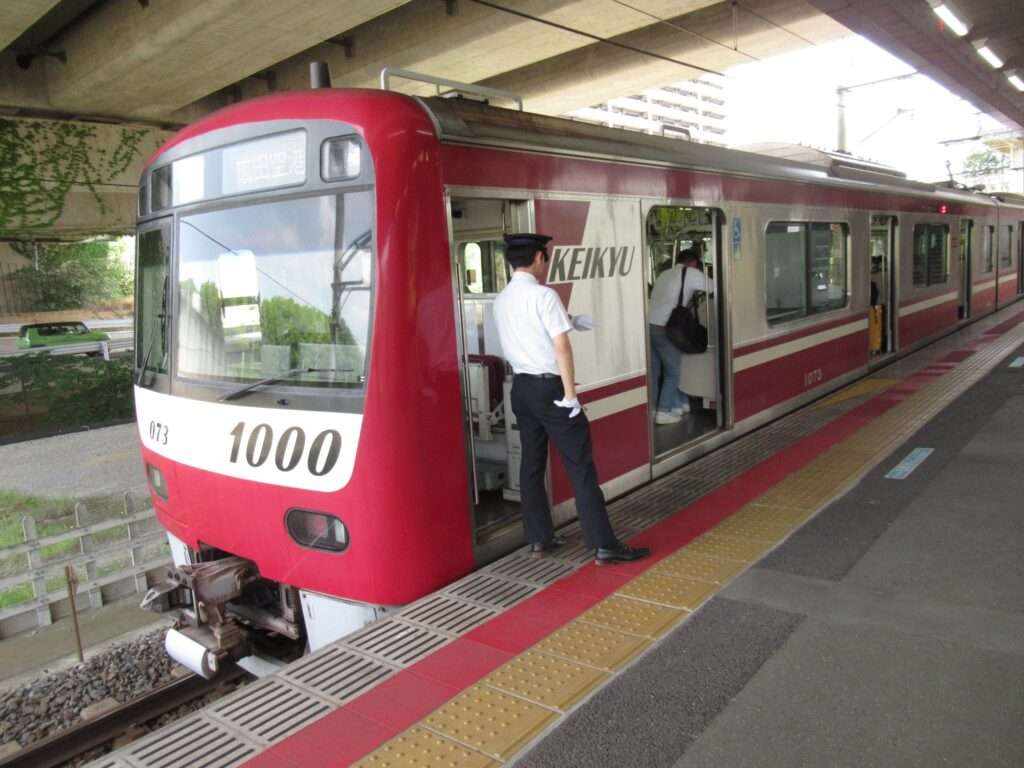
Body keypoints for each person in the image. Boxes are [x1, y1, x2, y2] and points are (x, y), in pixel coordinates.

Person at [492, 233, 650, 565]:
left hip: (522, 388)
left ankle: (539, 538)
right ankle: (603, 545)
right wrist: (570, 395)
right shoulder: (544, 295)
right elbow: (561, 348)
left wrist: (571, 321)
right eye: (545, 259)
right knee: (580, 466)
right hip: (551, 389)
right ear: (539, 258)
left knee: (531, 465)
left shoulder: (502, 299)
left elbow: (528, 332)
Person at [647, 247, 708, 424]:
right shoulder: (691, 273)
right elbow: (717, 286)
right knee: (673, 371)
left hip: (649, 325)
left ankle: (660, 408)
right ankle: (664, 411)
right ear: (693, 263)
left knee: (655, 371)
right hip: (665, 328)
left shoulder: (664, 274)